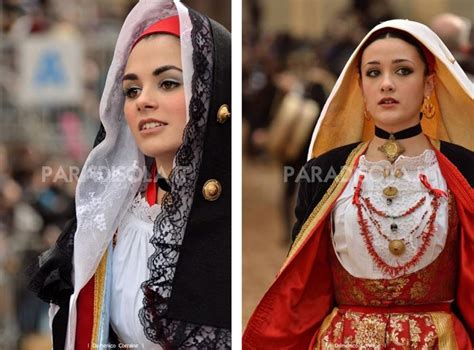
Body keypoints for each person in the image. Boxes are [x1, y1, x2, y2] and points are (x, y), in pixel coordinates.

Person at [243, 19, 473, 349]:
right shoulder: (323, 172)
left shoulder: (464, 169)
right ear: (361, 86)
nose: (387, 84)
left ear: (428, 84)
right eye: (374, 73)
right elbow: (304, 287)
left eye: (403, 71)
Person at [26, 0, 231, 349]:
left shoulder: (227, 218)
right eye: (132, 90)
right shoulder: (113, 214)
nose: (142, 101)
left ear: (208, 94)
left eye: (167, 83)